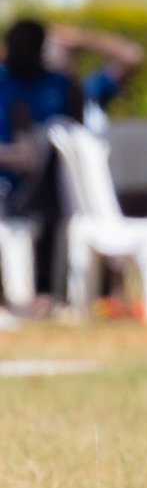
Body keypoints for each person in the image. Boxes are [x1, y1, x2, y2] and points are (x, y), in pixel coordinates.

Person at [0, 19, 84, 298]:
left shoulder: (63, 85)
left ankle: (47, 288)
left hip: (50, 187)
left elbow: (76, 138)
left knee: (51, 201)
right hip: (9, 182)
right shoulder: (4, 83)